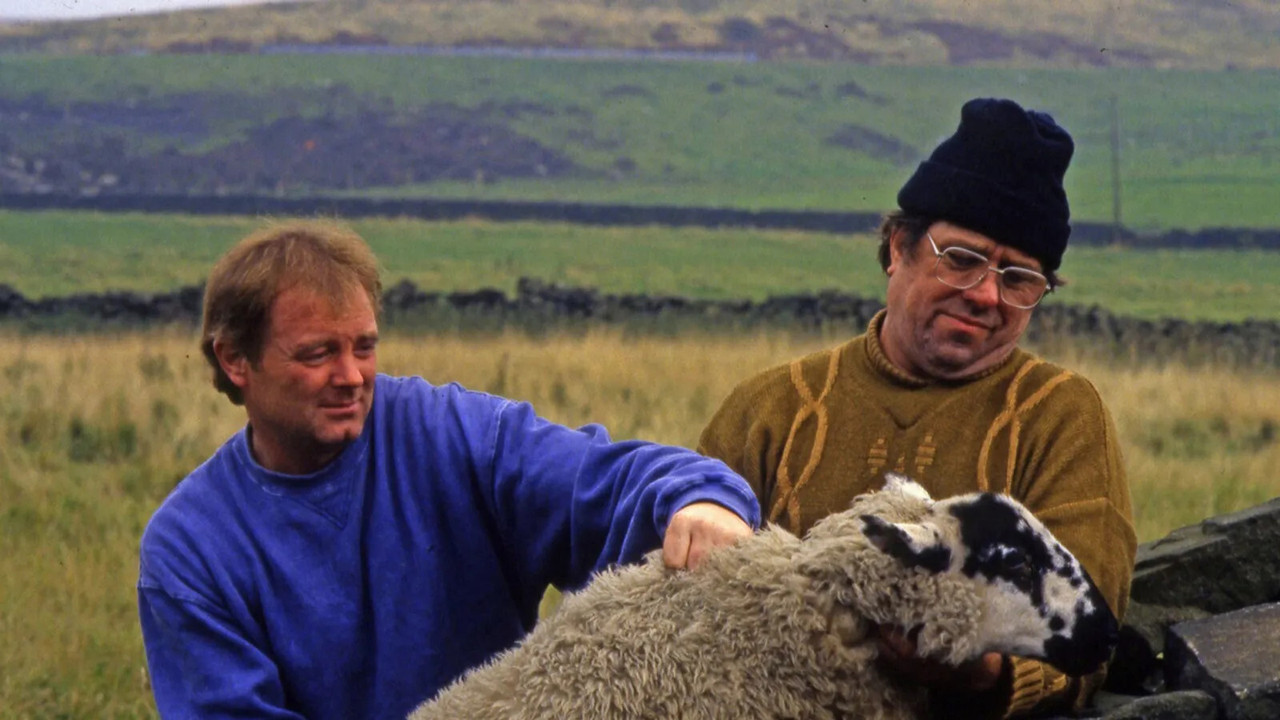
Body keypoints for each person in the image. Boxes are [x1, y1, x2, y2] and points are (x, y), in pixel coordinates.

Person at [137, 221, 761, 720]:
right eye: (317, 353)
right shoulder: (191, 548)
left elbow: (604, 483)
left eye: (364, 346)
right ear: (235, 359)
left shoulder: (455, 436)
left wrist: (701, 500)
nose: (352, 376)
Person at [699, 98, 1136, 718]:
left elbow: (1090, 637)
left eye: (1018, 278)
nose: (986, 294)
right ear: (898, 247)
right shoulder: (774, 406)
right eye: (962, 259)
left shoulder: (1060, 416)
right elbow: (683, 589)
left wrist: (987, 674)